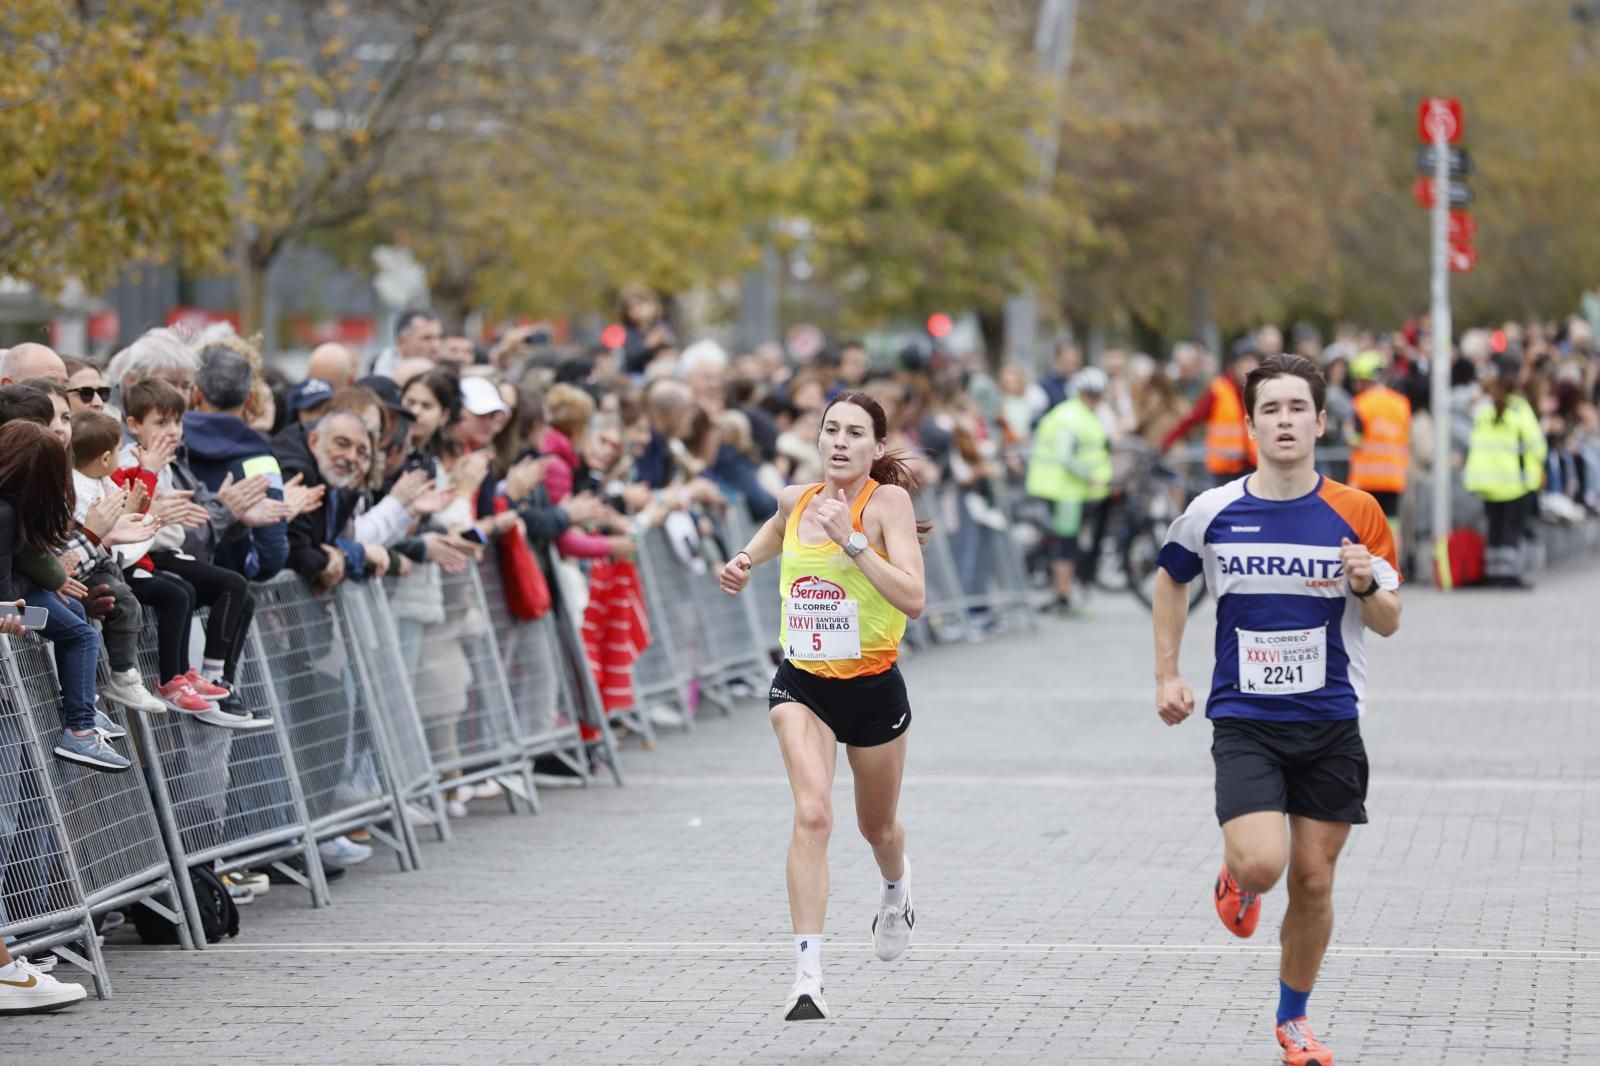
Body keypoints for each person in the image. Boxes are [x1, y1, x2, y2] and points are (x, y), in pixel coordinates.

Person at [1151, 354, 1402, 1066]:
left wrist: (1365, 585)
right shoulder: (1214, 511)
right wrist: (1167, 673)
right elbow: (1170, 582)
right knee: (1265, 866)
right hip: (1246, 722)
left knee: (1314, 882)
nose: (1285, 421)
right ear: (1251, 422)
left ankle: (1293, 1021)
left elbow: (1388, 620)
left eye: (1298, 408)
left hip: (1330, 723)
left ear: (1321, 422)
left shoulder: (1358, 512)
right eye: (1272, 409)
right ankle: (1238, 877)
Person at [718, 390, 927, 1022]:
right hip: (803, 682)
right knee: (812, 814)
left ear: (875, 447)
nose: (839, 441)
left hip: (871, 685)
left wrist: (856, 544)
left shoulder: (886, 504)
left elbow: (915, 598)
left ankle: (896, 889)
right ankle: (807, 978)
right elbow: (778, 529)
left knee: (877, 828)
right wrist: (746, 560)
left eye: (854, 433)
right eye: (830, 429)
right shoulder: (796, 498)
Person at [1025, 368, 1112, 612]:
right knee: (1067, 542)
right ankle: (1062, 597)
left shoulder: (1084, 414)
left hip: (1074, 491)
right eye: (1090, 395)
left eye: (1098, 395)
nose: (1095, 400)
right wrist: (1090, 476)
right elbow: (1065, 456)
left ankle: (1063, 595)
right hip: (1065, 491)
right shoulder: (1071, 416)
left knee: (1068, 541)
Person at [1463, 357, 1547, 588]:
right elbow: (1537, 445)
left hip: (1487, 482)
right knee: (1512, 530)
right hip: (1514, 481)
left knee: (1495, 528)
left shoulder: (1483, 410)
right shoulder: (1519, 409)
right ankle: (1507, 574)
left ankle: (1492, 572)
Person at [1161, 341, 1262, 484]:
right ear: (1233, 366)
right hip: (1225, 471)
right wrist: (1166, 442)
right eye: (1243, 363)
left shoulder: (1261, 390)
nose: (1248, 368)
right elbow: (1192, 419)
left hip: (1255, 466)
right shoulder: (1218, 389)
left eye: (1252, 363)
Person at [1345, 351, 1412, 556]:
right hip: (1393, 476)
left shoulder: (1361, 404)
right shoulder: (1401, 403)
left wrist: (1347, 431)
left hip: (1365, 478)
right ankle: (1394, 569)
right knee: (1392, 524)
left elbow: (1355, 440)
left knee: (1363, 527)